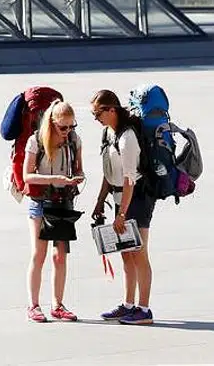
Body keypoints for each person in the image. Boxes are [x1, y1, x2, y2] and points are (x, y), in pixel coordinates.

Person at [89, 89, 155, 325]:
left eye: (98, 114)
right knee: (126, 253)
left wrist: (122, 214)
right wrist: (100, 201)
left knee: (139, 254)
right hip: (120, 198)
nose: (96, 119)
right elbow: (109, 173)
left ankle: (144, 309)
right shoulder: (109, 134)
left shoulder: (127, 138)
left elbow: (129, 179)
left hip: (136, 199)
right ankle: (128, 305)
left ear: (112, 110)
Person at [21, 100, 83, 323]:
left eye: (71, 126)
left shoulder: (74, 141)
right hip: (40, 202)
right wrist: (54, 179)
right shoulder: (36, 141)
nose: (67, 131)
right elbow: (27, 175)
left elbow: (79, 170)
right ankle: (33, 305)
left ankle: (58, 304)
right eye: (63, 127)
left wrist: (76, 179)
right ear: (52, 123)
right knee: (39, 254)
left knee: (60, 257)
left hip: (63, 202)